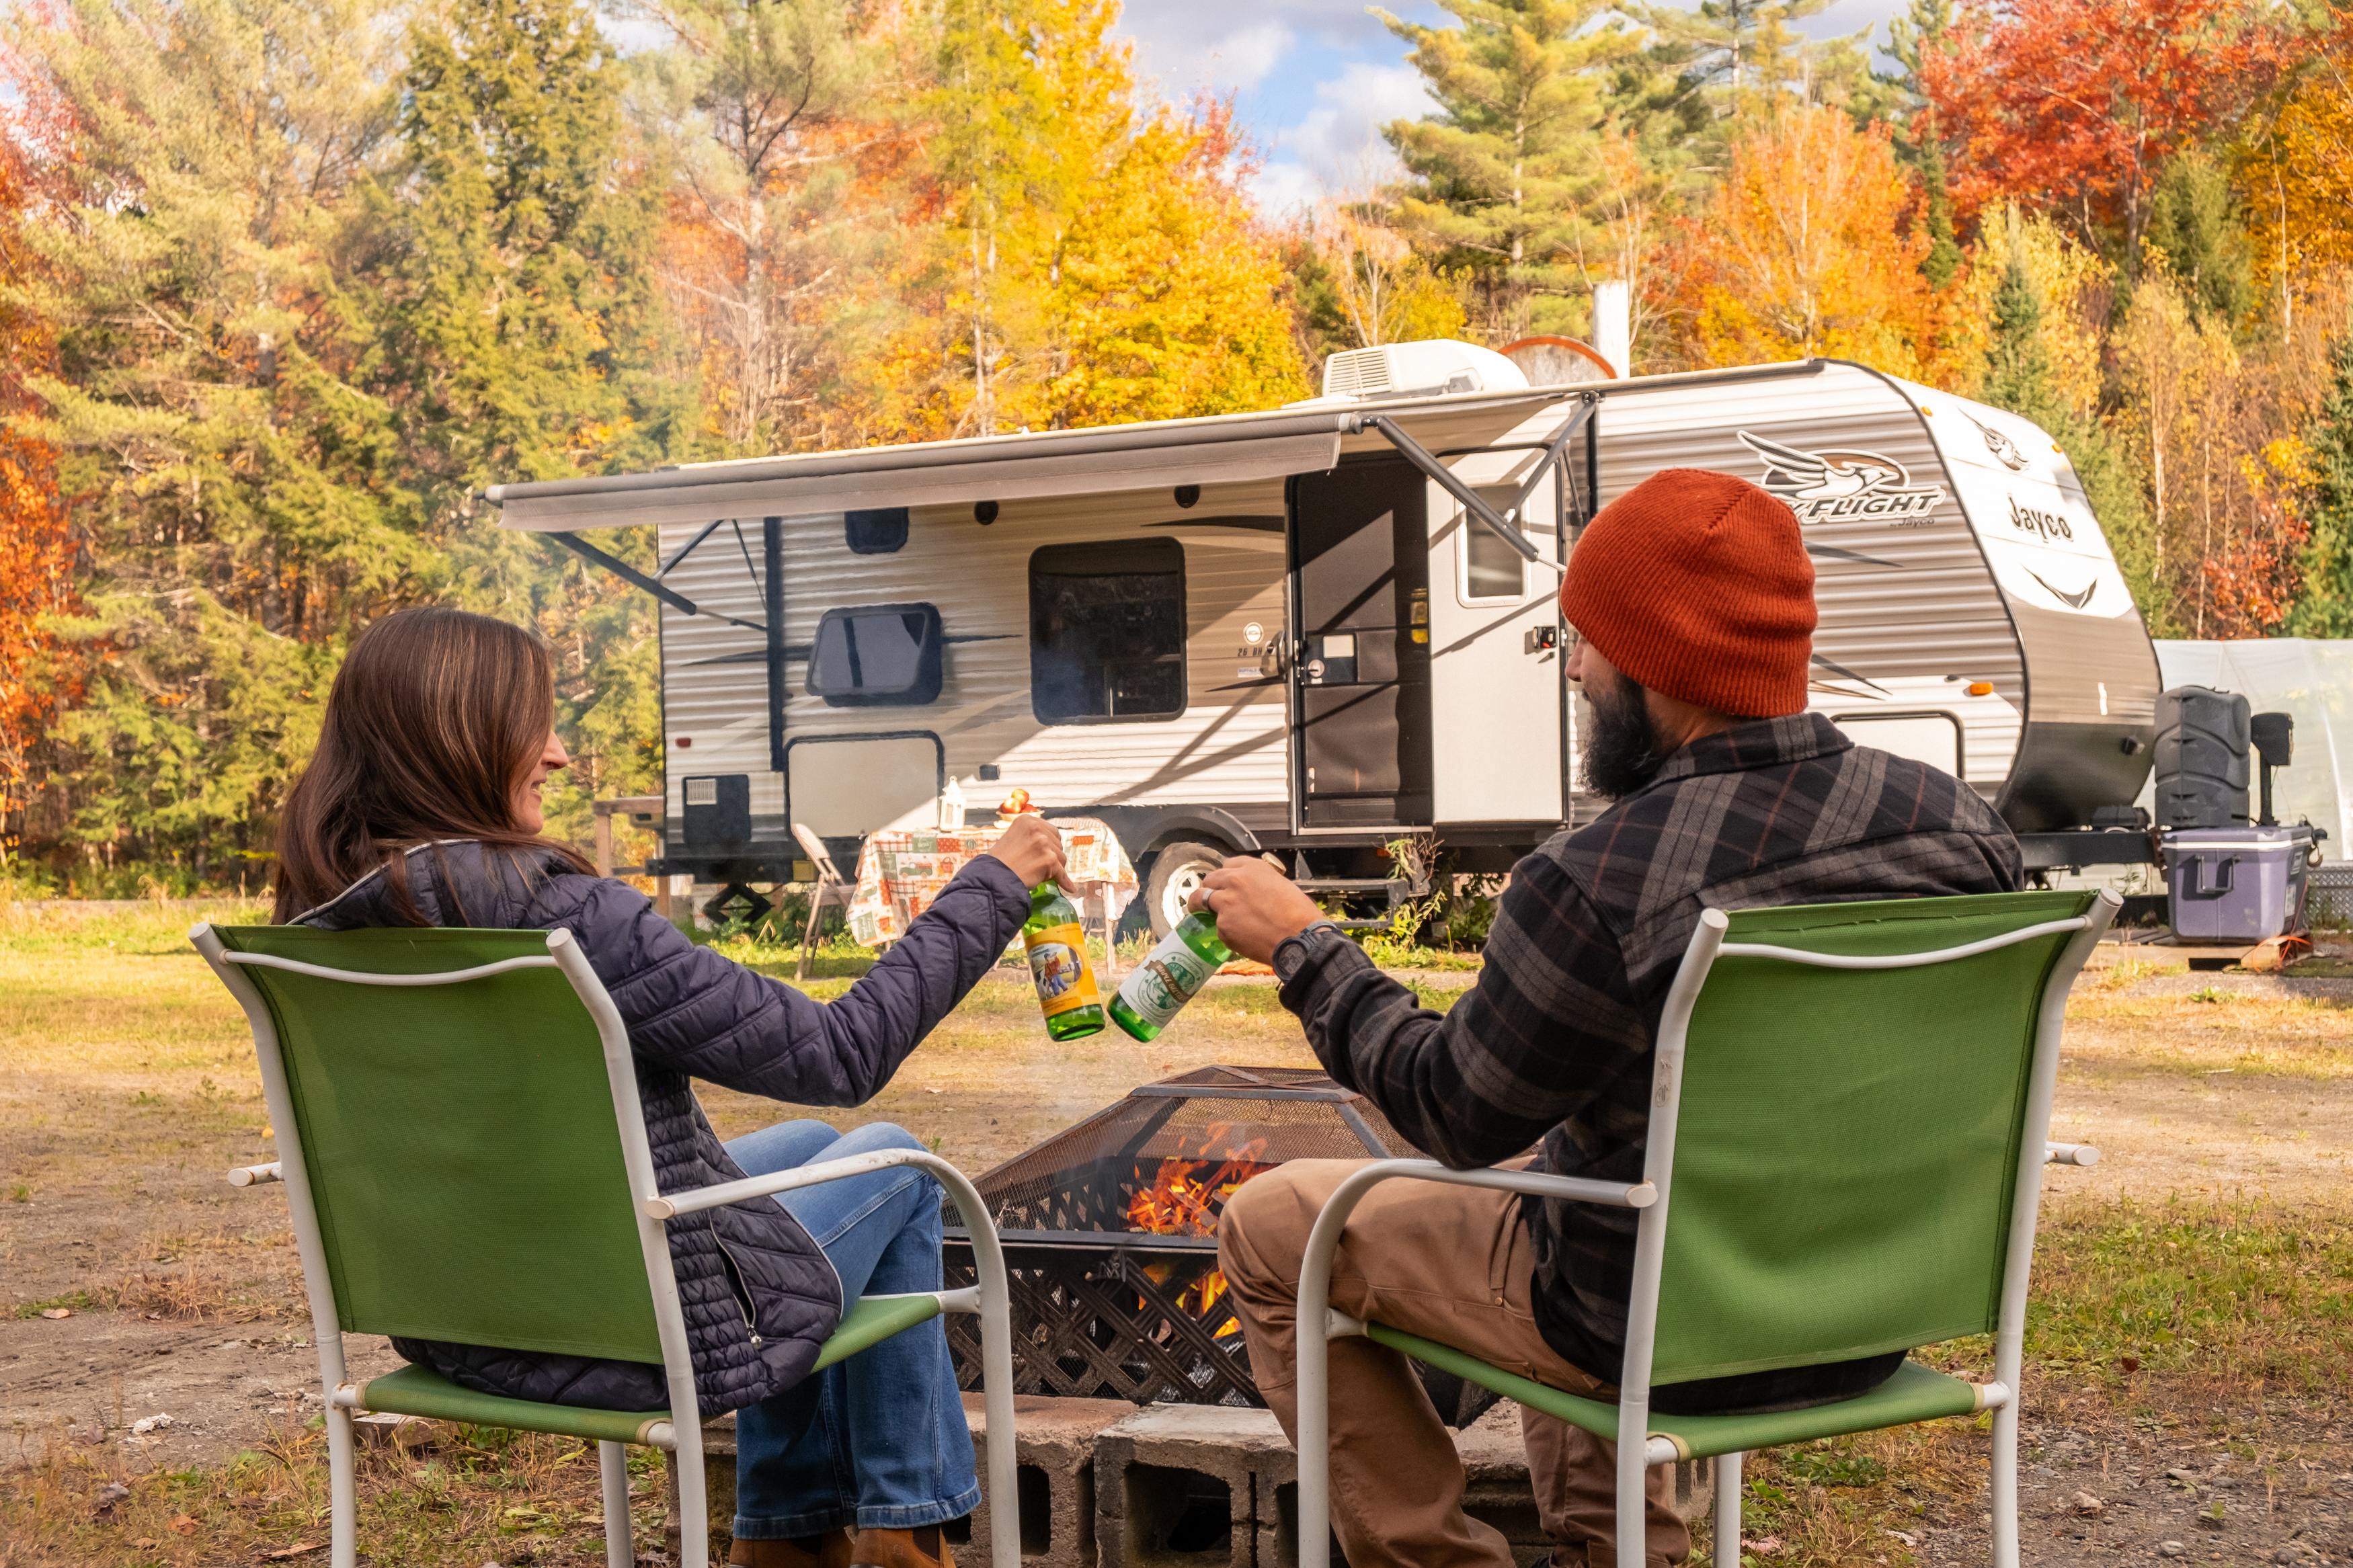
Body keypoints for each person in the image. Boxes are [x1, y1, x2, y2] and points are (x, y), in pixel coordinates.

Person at [1194, 468, 2025, 1568]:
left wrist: (1306, 947)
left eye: (1587, 641)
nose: (1577, 667)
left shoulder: (1597, 881)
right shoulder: (1961, 830)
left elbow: (1453, 1111)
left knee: (1272, 1225)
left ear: (1663, 665)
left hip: (1652, 1329)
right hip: (1867, 1318)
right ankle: (1624, 1550)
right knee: (1584, 1166)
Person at [272, 606, 1068, 1568]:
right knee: (903, 1166)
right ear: (459, 740)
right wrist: (989, 885)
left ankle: (788, 1540)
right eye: (538, 726)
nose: (559, 756)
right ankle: (901, 1535)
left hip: (467, 1313)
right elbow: (838, 1050)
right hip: (626, 1322)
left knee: (815, 1146)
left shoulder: (318, 924)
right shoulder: (565, 918)